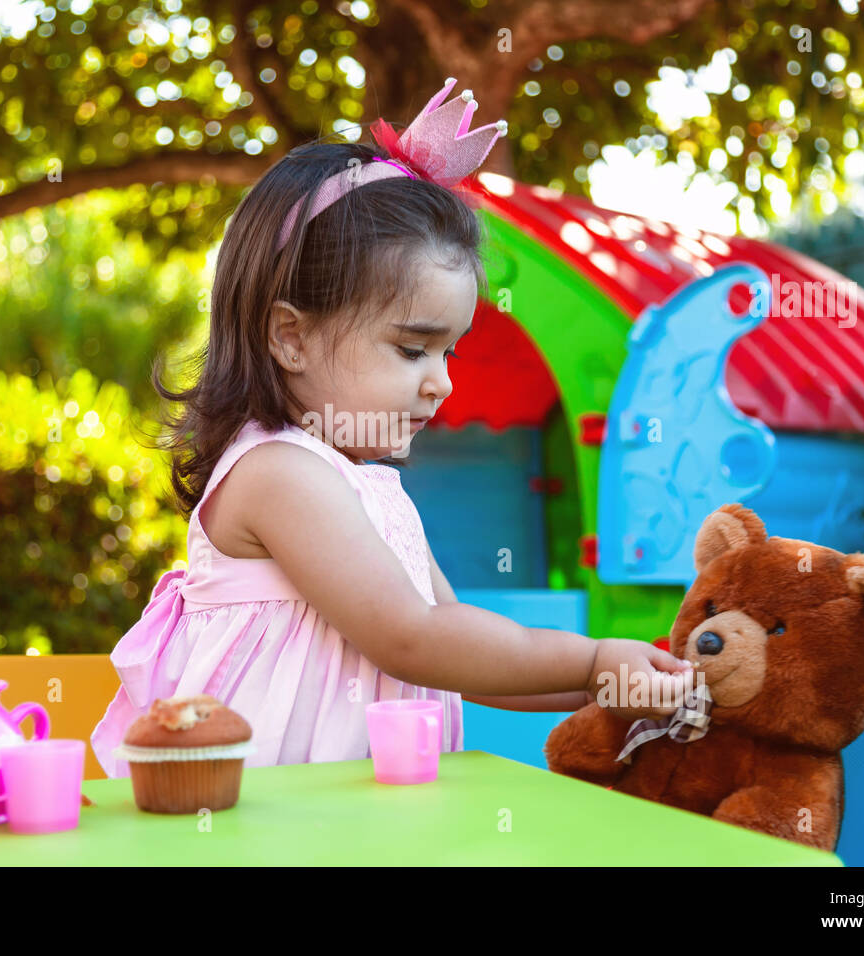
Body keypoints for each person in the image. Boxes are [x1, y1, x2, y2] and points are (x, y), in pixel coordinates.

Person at [91, 78, 691, 776]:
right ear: (291, 337)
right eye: (412, 348)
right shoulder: (276, 473)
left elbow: (456, 659)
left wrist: (616, 685)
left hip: (358, 821)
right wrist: (590, 660)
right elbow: (412, 638)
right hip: (271, 825)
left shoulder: (374, 491)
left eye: (450, 350)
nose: (442, 380)